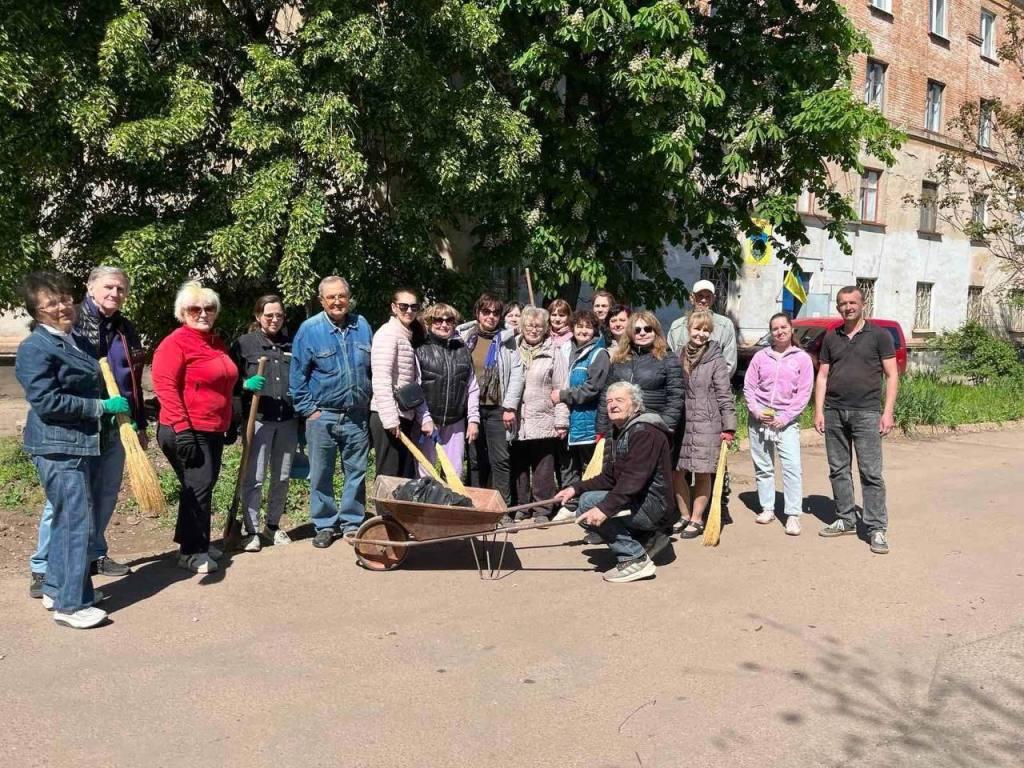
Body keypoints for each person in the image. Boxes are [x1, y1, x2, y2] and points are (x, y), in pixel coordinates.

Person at [16, 272, 129, 627]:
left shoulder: (69, 340)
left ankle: (56, 587)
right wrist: (98, 408)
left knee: (72, 518)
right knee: (74, 522)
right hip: (58, 447)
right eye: (51, 304)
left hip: (80, 443)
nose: (62, 307)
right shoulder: (35, 347)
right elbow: (47, 402)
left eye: (65, 299)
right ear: (36, 311)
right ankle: (70, 606)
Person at [153, 282, 239, 574]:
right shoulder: (174, 343)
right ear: (182, 312)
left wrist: (231, 418)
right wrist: (183, 428)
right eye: (195, 308)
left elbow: (223, 384)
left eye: (209, 308)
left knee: (200, 486)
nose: (203, 313)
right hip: (185, 429)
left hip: (212, 428)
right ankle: (192, 551)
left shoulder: (214, 342)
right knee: (198, 487)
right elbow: (164, 386)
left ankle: (194, 541)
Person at [552, 382, 673, 583]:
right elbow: (610, 477)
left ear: (635, 405)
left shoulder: (645, 432)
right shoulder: (621, 430)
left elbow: (633, 480)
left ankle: (633, 559)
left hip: (655, 506)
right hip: (642, 500)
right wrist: (575, 488)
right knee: (587, 500)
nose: (612, 405)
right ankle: (648, 539)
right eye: (609, 401)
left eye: (619, 400)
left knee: (590, 505)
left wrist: (604, 509)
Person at [813, 286, 899, 554]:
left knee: (871, 473)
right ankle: (846, 518)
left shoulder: (880, 336)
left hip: (867, 413)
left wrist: (888, 412)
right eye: (842, 303)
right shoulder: (831, 336)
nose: (847, 307)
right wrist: (818, 411)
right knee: (838, 469)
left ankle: (876, 528)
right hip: (835, 411)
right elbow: (823, 376)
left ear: (863, 304)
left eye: (852, 302)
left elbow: (892, 375)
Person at [290, 276, 373, 549]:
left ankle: (351, 522)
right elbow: (297, 377)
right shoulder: (309, 330)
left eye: (341, 296)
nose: (337, 302)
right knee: (321, 472)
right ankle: (325, 524)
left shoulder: (362, 326)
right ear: (321, 300)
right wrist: (309, 411)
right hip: (322, 416)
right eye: (331, 297)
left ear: (349, 298)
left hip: (356, 416)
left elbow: (371, 368)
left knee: (356, 471)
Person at [230, 294, 298, 552]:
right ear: (258, 317)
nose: (274, 319)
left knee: (281, 476)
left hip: (287, 420)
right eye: (269, 315)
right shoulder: (244, 344)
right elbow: (228, 381)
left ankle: (272, 525)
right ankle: (252, 530)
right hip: (257, 420)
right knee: (255, 477)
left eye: (279, 315)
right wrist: (244, 385)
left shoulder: (291, 343)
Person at [743, 313, 814, 535]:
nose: (780, 331)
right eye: (775, 328)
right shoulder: (760, 357)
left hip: (786, 420)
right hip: (760, 419)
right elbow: (749, 387)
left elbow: (803, 394)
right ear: (771, 332)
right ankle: (767, 508)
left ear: (791, 330)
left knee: (792, 466)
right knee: (763, 465)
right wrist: (756, 411)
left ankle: (793, 514)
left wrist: (784, 418)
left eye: (784, 327)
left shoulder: (802, 358)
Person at [674, 310, 736, 539]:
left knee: (702, 472)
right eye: (697, 329)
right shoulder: (679, 355)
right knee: (677, 471)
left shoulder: (715, 358)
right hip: (683, 423)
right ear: (688, 329)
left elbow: (724, 394)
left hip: (708, 423)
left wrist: (728, 427)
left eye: (705, 330)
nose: (700, 334)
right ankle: (683, 514)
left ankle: (697, 518)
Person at [460, 293, 525, 504]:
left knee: (501, 459)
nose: (491, 316)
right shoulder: (464, 338)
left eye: (496, 312)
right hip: (471, 408)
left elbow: (517, 374)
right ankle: (475, 504)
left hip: (497, 408)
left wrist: (509, 407)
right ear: (478, 313)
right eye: (486, 311)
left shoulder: (507, 341)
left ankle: (501, 506)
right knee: (475, 459)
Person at [510, 307, 569, 523]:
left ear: (545, 329)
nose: (533, 330)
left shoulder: (554, 351)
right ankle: (522, 507)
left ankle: (543, 509)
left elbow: (561, 387)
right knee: (519, 467)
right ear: (522, 326)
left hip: (543, 416)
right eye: (529, 326)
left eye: (538, 326)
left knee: (543, 467)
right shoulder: (513, 348)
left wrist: (561, 421)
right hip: (517, 418)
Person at [551, 309, 610, 519]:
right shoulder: (569, 350)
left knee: (591, 468)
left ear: (595, 329)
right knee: (569, 465)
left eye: (588, 326)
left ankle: (591, 505)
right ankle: (570, 504)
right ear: (573, 328)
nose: (583, 330)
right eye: (579, 326)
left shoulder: (598, 354)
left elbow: (592, 389)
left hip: (589, 420)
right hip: (571, 420)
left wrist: (564, 395)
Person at [369, 288, 432, 479]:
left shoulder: (406, 335)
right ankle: (385, 510)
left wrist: (422, 416)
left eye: (414, 307)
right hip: (388, 416)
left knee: (402, 475)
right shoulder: (388, 334)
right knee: (389, 475)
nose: (409, 311)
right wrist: (390, 418)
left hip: (404, 414)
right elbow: (381, 378)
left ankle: (396, 510)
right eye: (403, 306)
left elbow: (411, 382)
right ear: (394, 308)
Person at [416, 303, 480, 479]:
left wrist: (473, 419)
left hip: (455, 422)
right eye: (438, 320)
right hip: (429, 421)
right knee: (425, 472)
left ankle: (451, 504)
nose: (444, 325)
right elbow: (417, 387)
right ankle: (426, 506)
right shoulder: (420, 349)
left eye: (449, 320)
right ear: (429, 322)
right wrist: (425, 418)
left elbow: (472, 387)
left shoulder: (463, 351)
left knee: (455, 473)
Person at [597, 311, 683, 441]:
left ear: (655, 331)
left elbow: (676, 398)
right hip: (619, 429)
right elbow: (606, 395)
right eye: (637, 330)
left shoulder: (668, 358)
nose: (642, 333)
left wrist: (664, 428)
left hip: (652, 429)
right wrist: (602, 429)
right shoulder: (620, 359)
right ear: (631, 333)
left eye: (648, 329)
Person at [667, 279, 737, 377]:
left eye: (708, 297)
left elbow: (729, 364)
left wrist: (713, 384)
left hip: (712, 388)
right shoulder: (677, 327)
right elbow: (671, 361)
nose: (704, 300)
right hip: (683, 385)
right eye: (700, 296)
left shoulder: (725, 326)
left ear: (713, 299)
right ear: (692, 298)